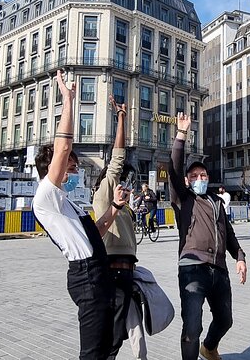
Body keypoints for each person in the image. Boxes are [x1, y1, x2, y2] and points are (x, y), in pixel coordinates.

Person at [32, 70, 127, 360]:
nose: (74, 171)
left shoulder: (66, 203)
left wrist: (115, 207)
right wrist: (68, 100)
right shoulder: (45, 196)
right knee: (92, 351)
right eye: (70, 166)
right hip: (86, 276)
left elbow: (96, 232)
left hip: (99, 271)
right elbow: (62, 147)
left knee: (110, 342)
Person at [169, 112, 247, 360]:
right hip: (193, 268)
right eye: (194, 176)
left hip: (219, 270)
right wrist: (181, 135)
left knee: (225, 320)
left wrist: (240, 257)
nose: (199, 179)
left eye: (202, 175)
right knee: (192, 327)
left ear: (208, 178)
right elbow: (174, 167)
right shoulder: (183, 199)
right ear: (187, 181)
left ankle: (209, 347)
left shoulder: (217, 203)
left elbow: (230, 234)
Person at [92, 95, 141, 360]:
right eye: (120, 179)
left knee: (120, 332)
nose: (123, 183)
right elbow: (117, 158)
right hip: (111, 271)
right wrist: (121, 117)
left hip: (126, 271)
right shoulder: (104, 192)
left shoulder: (123, 204)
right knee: (112, 335)